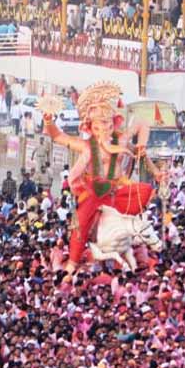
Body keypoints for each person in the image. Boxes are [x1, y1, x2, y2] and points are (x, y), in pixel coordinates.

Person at [42, 83, 162, 272]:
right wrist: (48, 121)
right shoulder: (86, 146)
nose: (103, 129)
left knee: (142, 200)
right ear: (91, 127)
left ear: (114, 122)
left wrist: (142, 146)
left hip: (118, 188)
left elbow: (142, 123)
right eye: (98, 126)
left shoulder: (122, 139)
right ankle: (73, 262)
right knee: (81, 223)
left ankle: (138, 247)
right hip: (94, 190)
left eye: (107, 124)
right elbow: (57, 136)